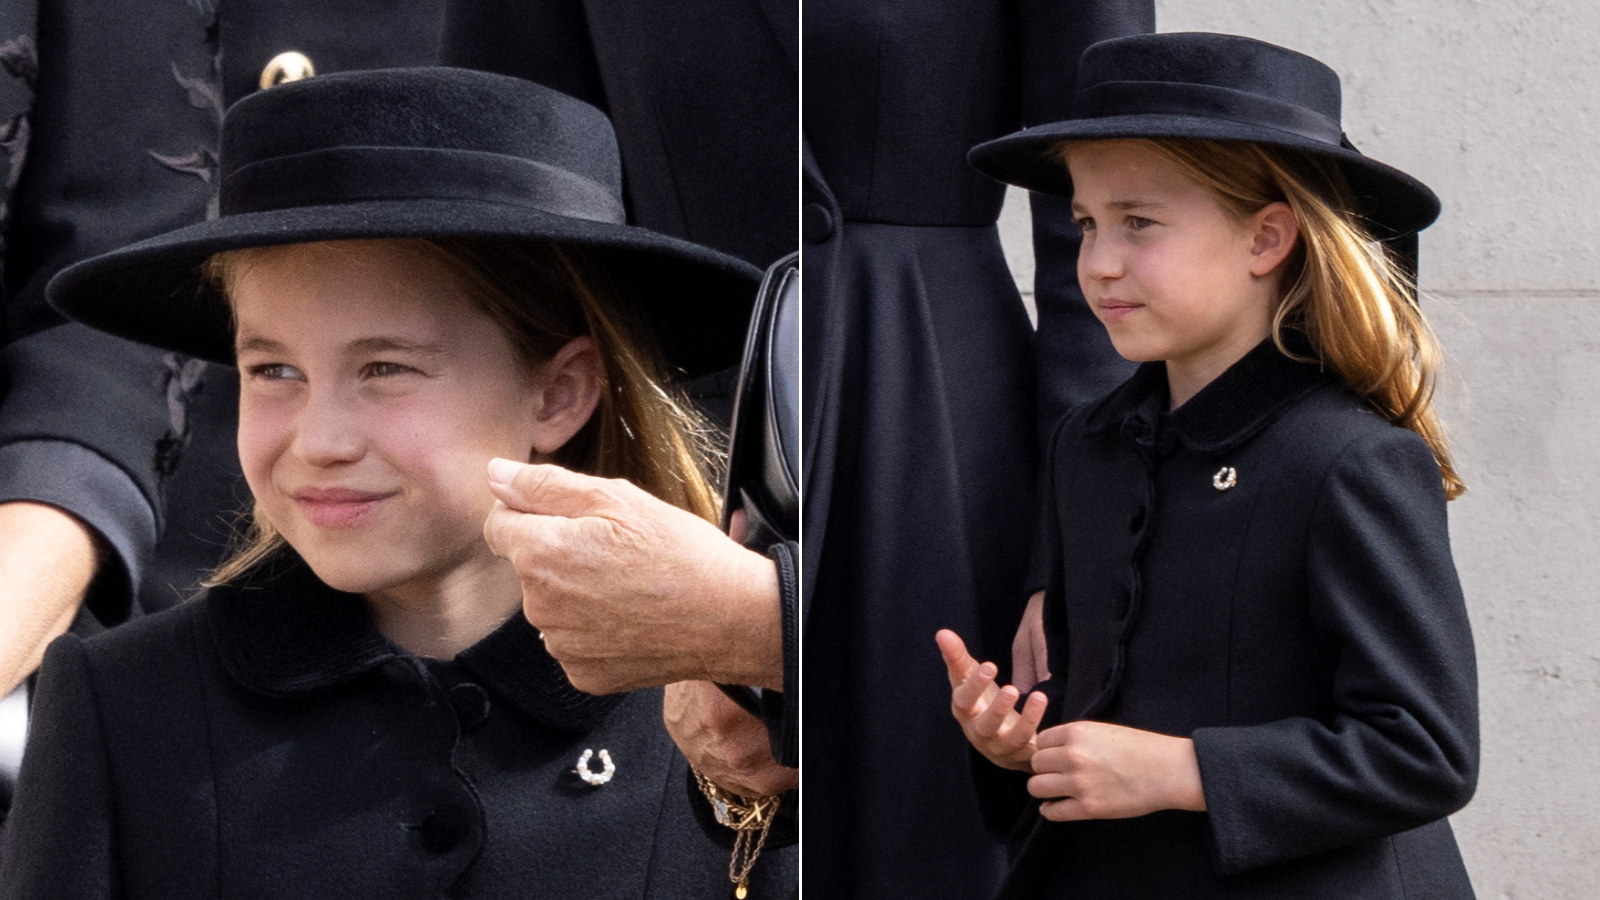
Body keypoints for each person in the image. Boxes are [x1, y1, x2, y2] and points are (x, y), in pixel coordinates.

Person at [0, 67, 794, 897]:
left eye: (385, 368)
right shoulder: (121, 705)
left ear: (558, 394)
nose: (320, 440)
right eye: (273, 369)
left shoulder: (723, 707)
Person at [939, 32, 1477, 899]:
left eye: (1139, 222)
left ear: (1266, 239)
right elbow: (1099, 721)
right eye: (1086, 223)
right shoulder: (1091, 447)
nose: (1097, 262)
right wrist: (1020, 746)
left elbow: (1425, 752)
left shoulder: (1348, 460)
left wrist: (1179, 772)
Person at [801, 2, 1153, 896]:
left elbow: (1106, 178)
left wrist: (1076, 544)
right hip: (646, 386)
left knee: (928, 811)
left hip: (930, 409)